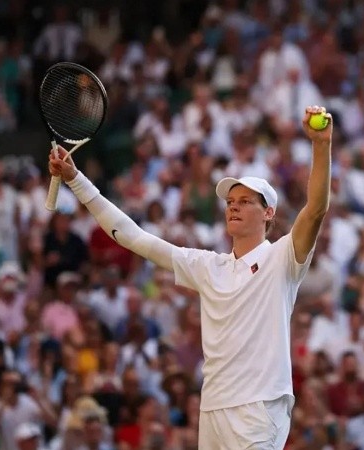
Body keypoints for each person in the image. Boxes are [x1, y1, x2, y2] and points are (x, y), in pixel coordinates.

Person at [48, 105, 333, 449]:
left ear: (268, 212)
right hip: (213, 410)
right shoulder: (207, 266)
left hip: (259, 408)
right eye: (230, 202)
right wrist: (76, 181)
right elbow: (132, 236)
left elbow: (315, 208)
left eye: (244, 201)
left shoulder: (283, 257)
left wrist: (321, 144)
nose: (234, 207)